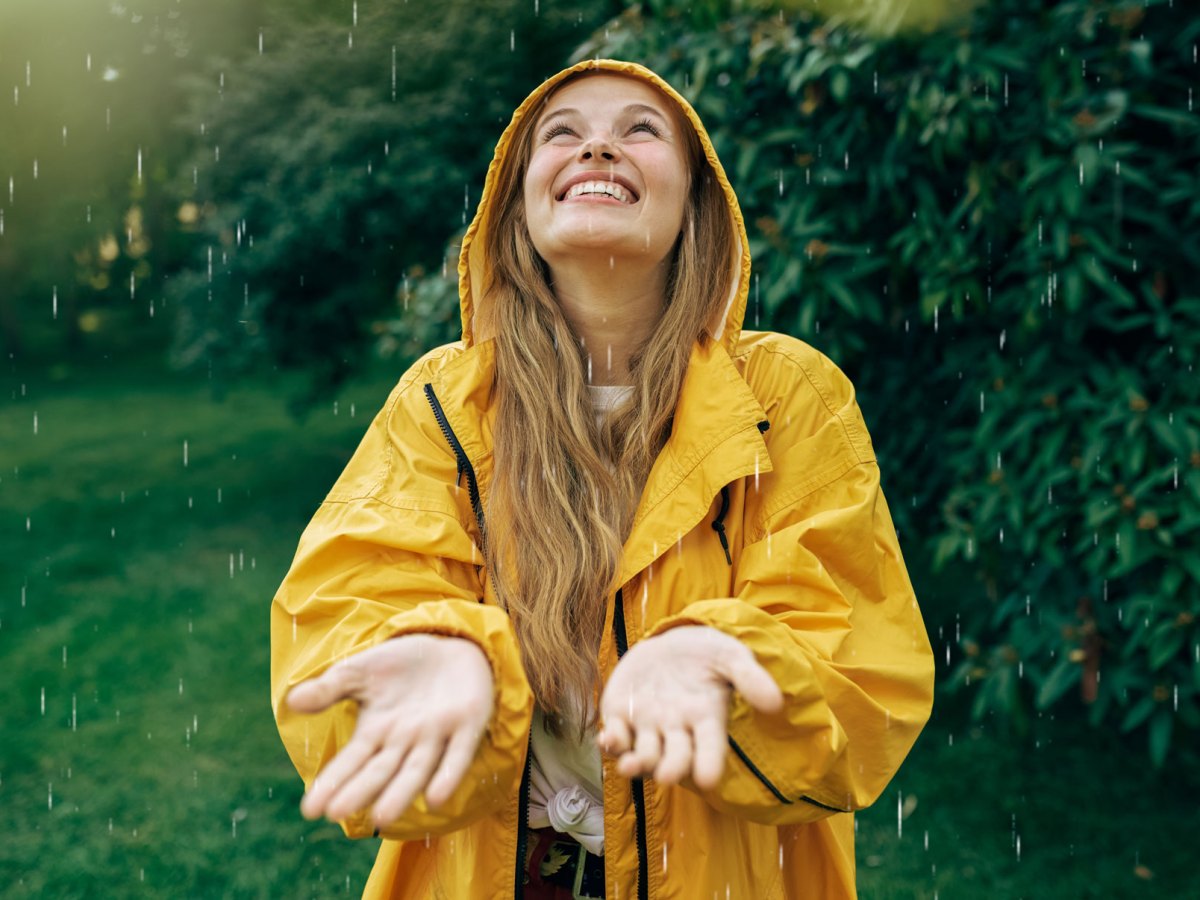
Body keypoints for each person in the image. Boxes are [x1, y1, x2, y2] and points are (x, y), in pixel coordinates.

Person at [270, 58, 935, 900]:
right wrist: (434, 650)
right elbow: (350, 599)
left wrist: (725, 662)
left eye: (639, 130)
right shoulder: (441, 402)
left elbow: (859, 676)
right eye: (563, 134)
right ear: (517, 206)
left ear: (695, 203)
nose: (597, 148)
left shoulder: (786, 394)